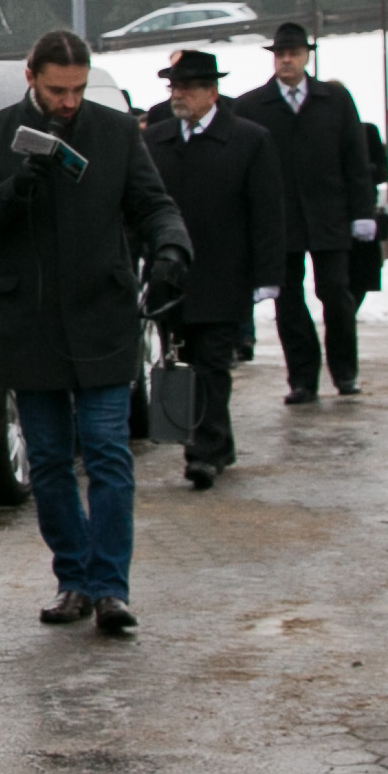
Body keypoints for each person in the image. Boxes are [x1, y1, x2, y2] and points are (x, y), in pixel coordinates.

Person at [0, 30, 187, 637]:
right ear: (31, 77)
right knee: (51, 460)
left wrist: (171, 247)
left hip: (101, 316)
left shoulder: (116, 132)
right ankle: (73, 577)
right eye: (58, 90)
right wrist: (16, 186)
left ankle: (110, 588)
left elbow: (153, 204)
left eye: (78, 89)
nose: (70, 101)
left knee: (108, 454)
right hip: (30, 322)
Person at [140, 50, 286, 491]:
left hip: (225, 275)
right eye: (174, 87)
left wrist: (267, 275)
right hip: (172, 277)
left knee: (212, 365)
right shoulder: (156, 140)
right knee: (181, 362)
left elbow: (266, 212)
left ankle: (204, 453)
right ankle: (215, 444)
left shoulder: (248, 139)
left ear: (211, 92)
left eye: (187, 88)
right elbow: (139, 206)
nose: (178, 95)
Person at [228, 23, 375, 403]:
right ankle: (303, 379)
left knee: (336, 293)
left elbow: (356, 159)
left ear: (307, 56)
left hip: (329, 216)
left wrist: (362, 212)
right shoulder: (252, 106)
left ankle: (345, 372)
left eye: (293, 53)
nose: (286, 60)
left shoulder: (335, 100)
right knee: (288, 301)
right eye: (280, 54)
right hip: (280, 220)